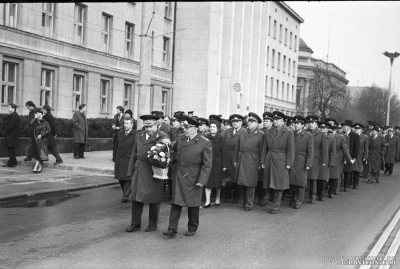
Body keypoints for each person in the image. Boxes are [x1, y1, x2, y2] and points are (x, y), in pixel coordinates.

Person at [163, 116, 212, 237]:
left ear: (194, 129)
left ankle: (192, 227)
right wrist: (166, 157)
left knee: (193, 204)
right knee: (176, 202)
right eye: (184, 127)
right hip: (179, 174)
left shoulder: (204, 142)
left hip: (194, 176)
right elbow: (175, 155)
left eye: (187, 127)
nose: (184, 129)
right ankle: (172, 228)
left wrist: (202, 180)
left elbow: (207, 164)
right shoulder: (180, 139)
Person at [126, 114, 166, 233]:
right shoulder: (139, 135)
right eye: (146, 126)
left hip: (154, 169)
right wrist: (130, 170)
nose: (148, 129)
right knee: (137, 197)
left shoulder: (162, 136)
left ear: (156, 125)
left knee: (153, 197)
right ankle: (135, 223)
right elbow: (134, 153)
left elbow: (167, 154)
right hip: (140, 168)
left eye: (151, 126)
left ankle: (152, 224)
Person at [262, 111, 294, 214]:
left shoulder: (288, 132)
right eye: (274, 119)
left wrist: (289, 162)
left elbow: (290, 149)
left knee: (278, 184)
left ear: (282, 121)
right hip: (270, 158)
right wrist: (263, 160)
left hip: (281, 159)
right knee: (268, 183)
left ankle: (276, 205)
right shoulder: (269, 132)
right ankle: (273, 201)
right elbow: (264, 148)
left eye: (277, 120)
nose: (275, 121)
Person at [233, 112, 264, 212]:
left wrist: (261, 162)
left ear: (257, 124)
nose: (249, 123)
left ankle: (249, 203)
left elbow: (262, 150)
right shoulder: (242, 133)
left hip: (253, 160)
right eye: (249, 121)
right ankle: (245, 201)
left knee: (250, 183)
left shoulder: (261, 135)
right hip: (242, 158)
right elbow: (237, 148)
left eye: (252, 121)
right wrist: (235, 159)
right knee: (242, 181)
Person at [289, 116, 313, 209]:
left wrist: (308, 164)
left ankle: (299, 200)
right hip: (292, 160)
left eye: (298, 123)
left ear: (302, 125)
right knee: (292, 182)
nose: (295, 125)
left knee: (301, 182)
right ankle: (294, 198)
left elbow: (310, 151)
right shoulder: (291, 134)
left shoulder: (308, 136)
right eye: (294, 123)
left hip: (302, 161)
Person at [202, 120, 227, 208]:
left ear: (217, 128)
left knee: (218, 183)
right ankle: (207, 201)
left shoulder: (221, 139)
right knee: (207, 182)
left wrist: (224, 165)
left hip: (217, 164)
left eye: (214, 127)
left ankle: (217, 198)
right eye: (211, 127)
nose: (212, 128)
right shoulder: (206, 138)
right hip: (208, 163)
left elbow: (224, 153)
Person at [222, 114, 246, 203]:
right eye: (233, 121)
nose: (235, 123)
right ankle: (227, 195)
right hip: (227, 157)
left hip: (237, 157)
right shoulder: (227, 131)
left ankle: (236, 196)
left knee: (236, 177)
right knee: (226, 177)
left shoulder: (244, 131)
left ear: (241, 122)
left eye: (237, 121)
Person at [113, 117, 136, 203]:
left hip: (129, 160)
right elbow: (116, 145)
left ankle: (125, 196)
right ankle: (126, 192)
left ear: (132, 124)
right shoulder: (120, 132)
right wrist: (114, 157)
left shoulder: (135, 134)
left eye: (127, 123)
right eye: (124, 123)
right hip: (120, 159)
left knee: (128, 179)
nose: (125, 125)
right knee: (120, 179)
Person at [306, 115, 328, 204]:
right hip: (305, 156)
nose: (310, 125)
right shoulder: (305, 132)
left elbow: (324, 149)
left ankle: (313, 196)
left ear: (316, 124)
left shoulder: (321, 134)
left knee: (313, 178)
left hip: (315, 158)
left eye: (312, 123)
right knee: (304, 177)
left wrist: (324, 160)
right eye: (309, 123)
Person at [329, 125, 352, 197]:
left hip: (337, 158)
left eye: (333, 130)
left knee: (335, 175)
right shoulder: (326, 136)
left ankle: (333, 190)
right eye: (331, 130)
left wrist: (348, 158)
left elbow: (345, 149)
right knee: (328, 174)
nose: (332, 132)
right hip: (328, 157)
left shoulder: (341, 138)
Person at [258, 111, 274, 206]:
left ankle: (267, 196)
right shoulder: (261, 131)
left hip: (269, 157)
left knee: (267, 178)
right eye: (264, 121)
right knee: (261, 178)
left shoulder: (273, 132)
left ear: (271, 122)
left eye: (267, 121)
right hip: (260, 155)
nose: (265, 123)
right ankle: (262, 195)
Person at [317, 121, 335, 201]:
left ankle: (321, 195)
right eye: (321, 128)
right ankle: (316, 193)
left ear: (327, 129)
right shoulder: (317, 136)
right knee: (317, 177)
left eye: (324, 128)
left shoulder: (331, 138)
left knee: (323, 178)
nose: (322, 129)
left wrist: (331, 162)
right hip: (317, 158)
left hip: (325, 159)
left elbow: (332, 152)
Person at [30, 108, 51, 173]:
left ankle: (36, 166)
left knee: (40, 153)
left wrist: (42, 135)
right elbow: (30, 124)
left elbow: (49, 130)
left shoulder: (45, 122)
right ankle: (40, 166)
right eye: (38, 115)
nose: (39, 116)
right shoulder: (35, 123)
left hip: (43, 140)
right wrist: (35, 117)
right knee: (38, 154)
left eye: (40, 115)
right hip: (36, 141)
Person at [1, 103, 20, 168]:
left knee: (10, 149)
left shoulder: (13, 116)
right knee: (11, 149)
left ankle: (11, 163)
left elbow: (10, 127)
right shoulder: (15, 115)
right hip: (13, 135)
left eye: (9, 107)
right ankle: (14, 161)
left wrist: (3, 133)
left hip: (11, 135)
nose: (8, 108)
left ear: (13, 108)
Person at [342, 120, 359, 191]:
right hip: (342, 155)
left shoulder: (355, 136)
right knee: (341, 171)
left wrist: (355, 157)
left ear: (349, 127)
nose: (343, 127)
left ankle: (346, 186)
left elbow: (356, 147)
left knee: (348, 171)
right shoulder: (342, 134)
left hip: (350, 156)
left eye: (344, 126)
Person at [352, 123, 368, 188]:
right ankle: (350, 182)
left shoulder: (364, 137)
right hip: (352, 154)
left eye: (358, 129)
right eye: (356, 128)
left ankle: (355, 183)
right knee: (351, 168)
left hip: (359, 155)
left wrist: (365, 157)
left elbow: (366, 148)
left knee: (358, 169)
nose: (356, 130)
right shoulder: (352, 135)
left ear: (361, 130)